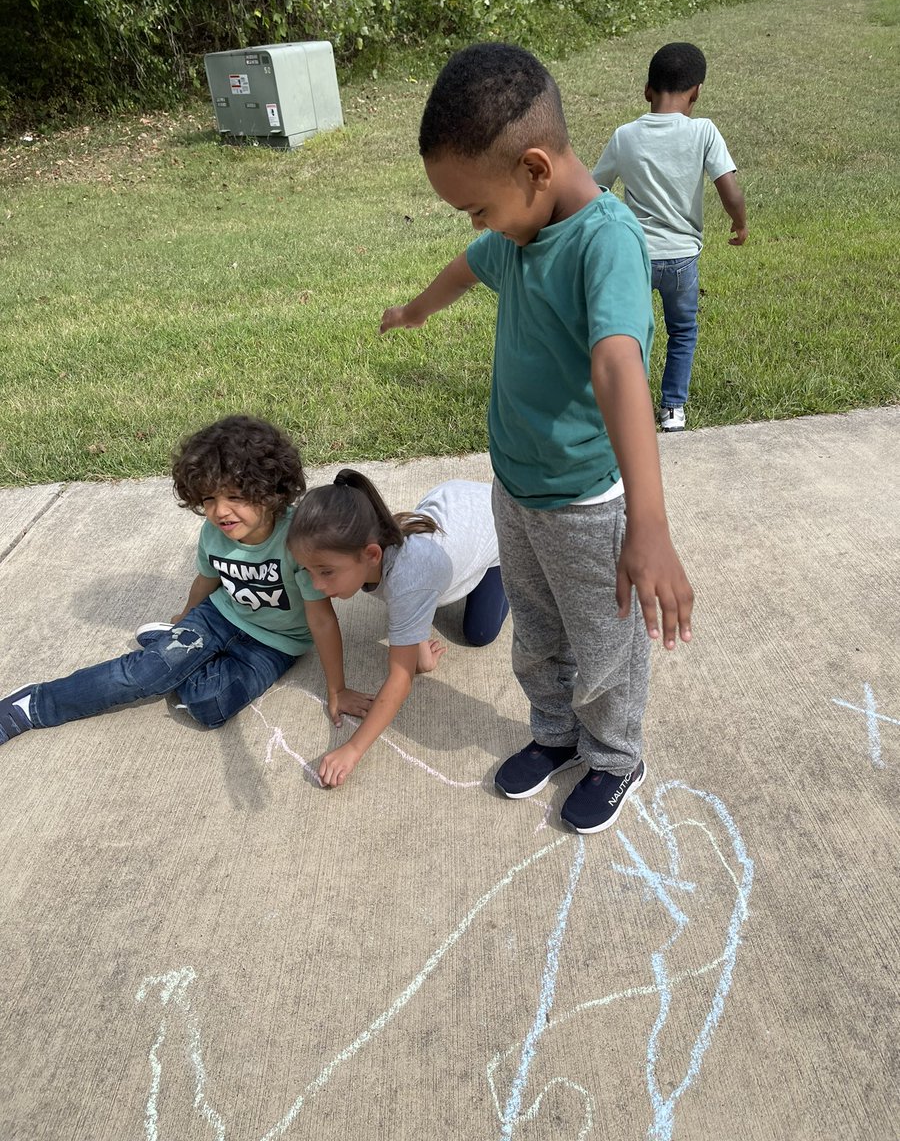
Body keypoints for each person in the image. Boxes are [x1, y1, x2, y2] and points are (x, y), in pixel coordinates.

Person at [380, 42, 693, 834]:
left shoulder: (604, 242)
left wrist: (648, 524)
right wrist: (416, 309)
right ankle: (555, 736)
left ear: (534, 168)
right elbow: (466, 263)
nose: (479, 225)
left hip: (588, 505)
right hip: (516, 491)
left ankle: (617, 755)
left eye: (478, 206)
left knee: (605, 646)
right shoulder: (518, 231)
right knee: (538, 632)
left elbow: (620, 368)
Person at [0, 416, 372, 746]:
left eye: (236, 497)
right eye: (208, 498)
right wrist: (187, 614)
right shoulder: (215, 533)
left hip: (275, 644)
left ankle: (171, 653)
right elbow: (207, 578)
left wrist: (336, 688)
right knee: (145, 674)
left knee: (209, 706)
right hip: (216, 617)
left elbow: (321, 618)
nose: (219, 511)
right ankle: (33, 705)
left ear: (272, 490)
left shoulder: (298, 540)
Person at [288, 470, 508, 788]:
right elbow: (404, 602)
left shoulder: (408, 578)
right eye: (310, 571)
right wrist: (415, 643)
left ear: (372, 555)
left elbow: (400, 680)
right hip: (455, 507)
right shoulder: (374, 544)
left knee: (480, 633)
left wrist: (352, 749)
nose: (317, 585)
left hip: (494, 524)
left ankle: (513, 566)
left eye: (326, 572)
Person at [592, 41, 748, 432]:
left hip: (635, 257)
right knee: (682, 331)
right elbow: (729, 189)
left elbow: (596, 190)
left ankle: (627, 407)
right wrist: (739, 222)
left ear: (647, 90)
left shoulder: (625, 135)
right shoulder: (704, 132)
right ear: (696, 91)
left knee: (631, 332)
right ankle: (673, 409)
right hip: (682, 259)